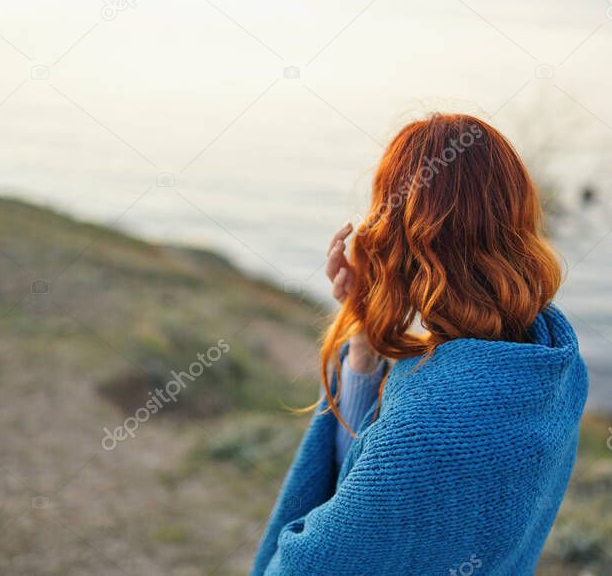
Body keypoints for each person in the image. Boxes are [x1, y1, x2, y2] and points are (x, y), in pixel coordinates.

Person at [251, 113, 588, 575]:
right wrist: (364, 340)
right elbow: (372, 496)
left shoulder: (423, 426)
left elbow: (305, 567)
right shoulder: (552, 368)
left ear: (404, 238)